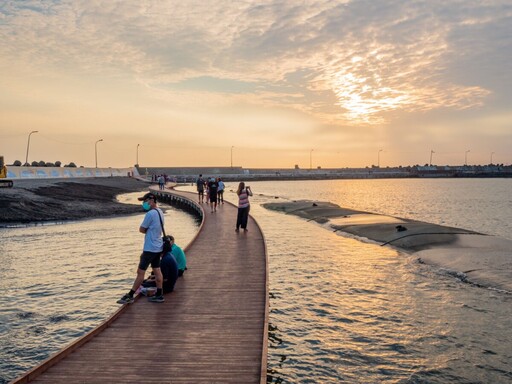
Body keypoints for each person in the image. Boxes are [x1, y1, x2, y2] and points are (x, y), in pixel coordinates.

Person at [117, 192, 165, 304]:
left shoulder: (150, 214)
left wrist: (147, 230)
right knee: (157, 270)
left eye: (145, 201)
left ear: (151, 200)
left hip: (149, 248)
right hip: (158, 246)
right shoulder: (160, 212)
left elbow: (142, 229)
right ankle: (159, 294)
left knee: (140, 272)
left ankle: (130, 295)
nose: (144, 203)